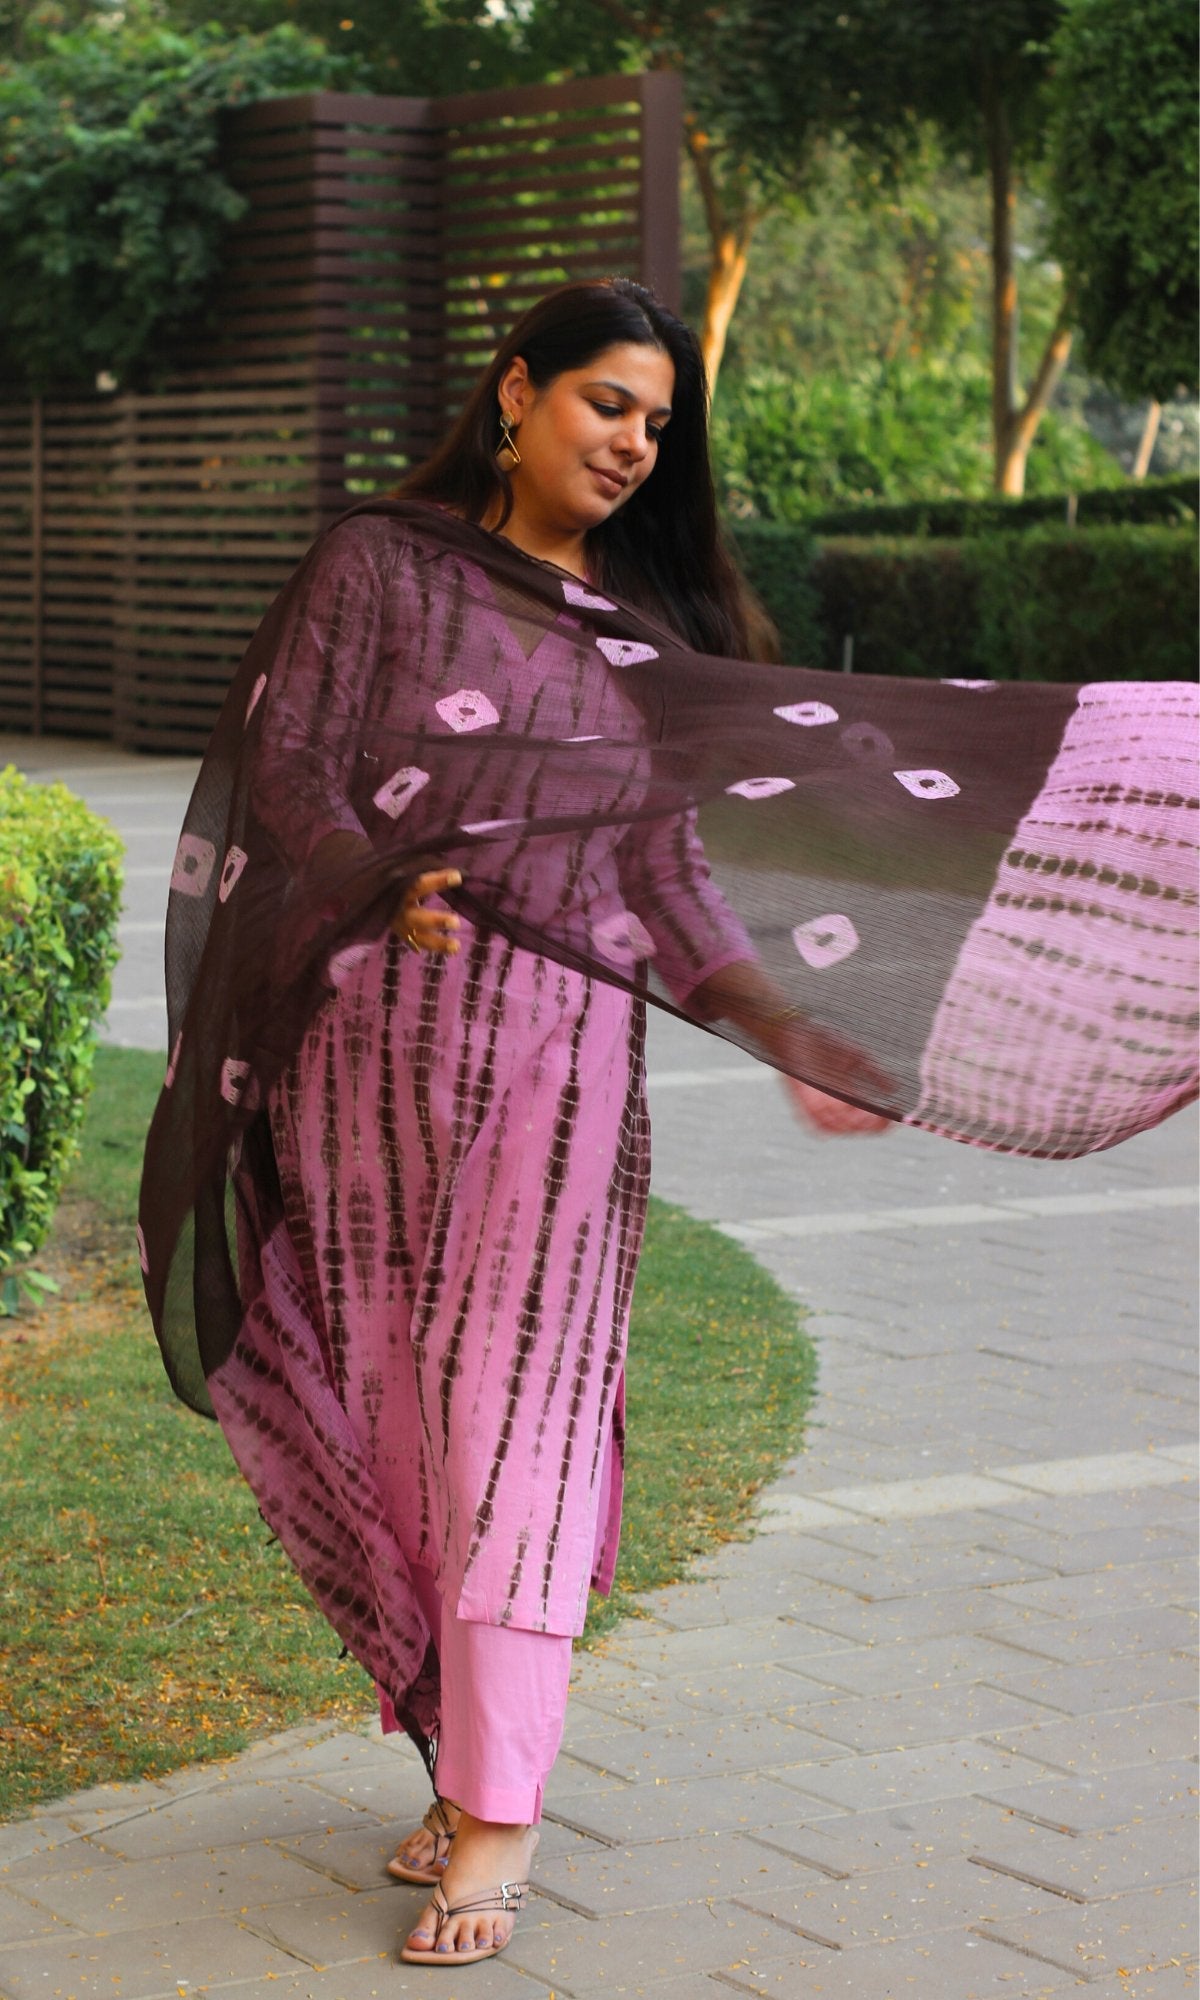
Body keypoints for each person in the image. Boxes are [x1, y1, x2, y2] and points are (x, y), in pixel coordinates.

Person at [139, 279, 1196, 1973]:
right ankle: (454, 1741)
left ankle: (500, 1812)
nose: (633, 443)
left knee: (513, 1412)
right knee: (388, 1407)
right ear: (515, 393)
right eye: (606, 405)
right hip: (362, 1052)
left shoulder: (638, 634)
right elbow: (296, 771)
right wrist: (373, 885)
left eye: (656, 423)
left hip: (547, 1082)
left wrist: (795, 1031)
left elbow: (657, 867)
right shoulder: (379, 566)